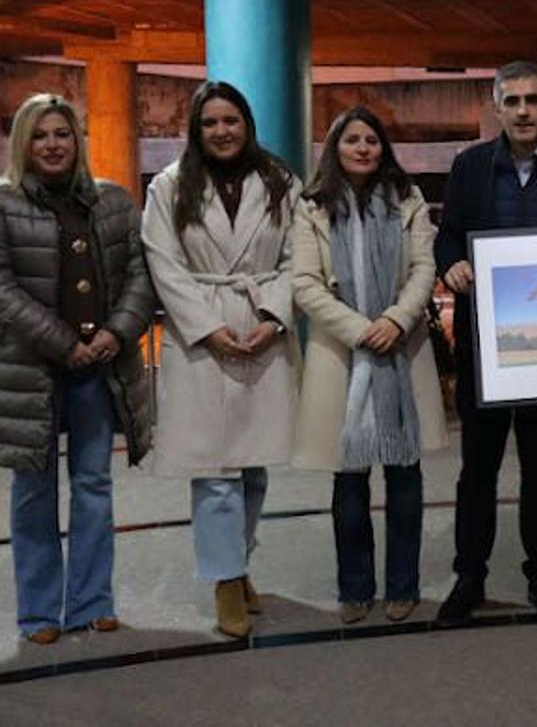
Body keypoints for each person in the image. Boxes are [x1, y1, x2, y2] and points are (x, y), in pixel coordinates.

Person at [433, 61, 537, 625]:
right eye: (513, 101)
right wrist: (451, 263)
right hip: (485, 347)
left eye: (533, 100)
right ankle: (469, 577)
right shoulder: (469, 166)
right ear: (497, 107)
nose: (524, 111)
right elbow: (448, 236)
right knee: (477, 470)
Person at [141, 81, 300, 638]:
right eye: (210, 123)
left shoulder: (280, 181)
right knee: (214, 471)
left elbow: (297, 257)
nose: (221, 131)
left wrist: (273, 317)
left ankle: (238, 558)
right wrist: (209, 330)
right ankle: (225, 580)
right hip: (200, 339)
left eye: (230, 120)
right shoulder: (169, 186)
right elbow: (162, 263)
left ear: (246, 124)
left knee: (254, 467)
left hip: (261, 329)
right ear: (195, 130)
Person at [0, 94, 154, 644]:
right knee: (33, 491)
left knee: (93, 485)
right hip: (31, 372)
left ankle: (92, 603)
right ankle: (39, 613)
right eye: (40, 135)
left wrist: (117, 332)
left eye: (62, 134)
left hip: (99, 369)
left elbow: (141, 276)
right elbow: (3, 290)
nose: (52, 144)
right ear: (24, 143)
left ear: (77, 140)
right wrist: (64, 344)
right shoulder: (4, 204)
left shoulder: (113, 201)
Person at [292, 106, 448, 625]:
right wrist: (361, 328)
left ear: (384, 148)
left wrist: (396, 320)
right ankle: (355, 589)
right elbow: (304, 283)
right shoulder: (311, 206)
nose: (363, 148)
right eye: (352, 139)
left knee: (405, 478)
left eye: (372, 140)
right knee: (349, 482)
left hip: (401, 349)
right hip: (344, 354)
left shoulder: (408, 198)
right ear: (334, 148)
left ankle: (403, 586)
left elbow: (425, 267)